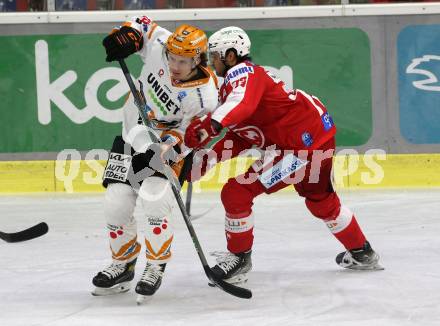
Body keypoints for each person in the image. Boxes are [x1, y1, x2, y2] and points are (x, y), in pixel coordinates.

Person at [184, 26, 383, 285]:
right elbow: (246, 133)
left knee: (236, 192)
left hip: (299, 148)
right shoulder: (239, 84)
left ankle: (239, 259)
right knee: (320, 201)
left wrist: (210, 125)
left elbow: (240, 107)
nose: (212, 63)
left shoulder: (244, 74)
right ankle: (362, 252)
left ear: (231, 56)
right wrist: (209, 159)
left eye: (216, 56)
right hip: (315, 137)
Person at [91, 16, 218, 302]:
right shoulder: (163, 44)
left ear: (197, 59)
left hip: (164, 147)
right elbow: (141, 24)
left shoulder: (204, 96)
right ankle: (123, 264)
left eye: (183, 62)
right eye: (172, 58)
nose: (174, 65)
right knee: (116, 201)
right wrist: (128, 35)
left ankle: (155, 265)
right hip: (131, 133)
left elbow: (195, 134)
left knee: (154, 199)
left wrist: (169, 145)